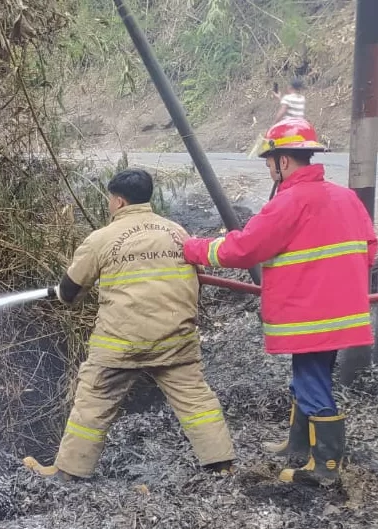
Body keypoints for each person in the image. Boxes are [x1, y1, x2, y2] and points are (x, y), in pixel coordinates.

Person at [182, 118, 375, 485]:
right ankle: (298, 445)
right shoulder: (346, 198)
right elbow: (369, 249)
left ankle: (325, 468)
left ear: (283, 162)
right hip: (341, 313)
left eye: (269, 161)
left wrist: (192, 249)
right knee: (308, 377)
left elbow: (243, 248)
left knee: (312, 383)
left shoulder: (289, 203)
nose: (268, 168)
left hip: (309, 315)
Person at [24, 169, 235, 481]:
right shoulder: (177, 231)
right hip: (176, 338)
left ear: (118, 201)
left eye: (110, 199)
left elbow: (69, 293)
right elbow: (196, 278)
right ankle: (222, 465)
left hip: (120, 344)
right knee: (196, 399)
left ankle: (68, 473)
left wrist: (60, 292)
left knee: (93, 400)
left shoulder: (101, 239)